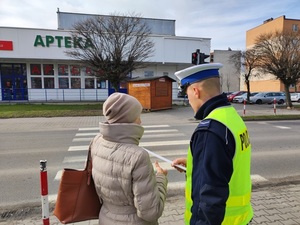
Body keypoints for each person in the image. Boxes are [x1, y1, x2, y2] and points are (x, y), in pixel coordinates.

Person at [172, 63, 253, 225]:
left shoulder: (210, 130)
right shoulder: (230, 116)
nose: (188, 101)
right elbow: (228, 162)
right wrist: (197, 164)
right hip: (241, 218)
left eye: (187, 94)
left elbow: (208, 199)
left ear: (195, 91)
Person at [90, 92, 168, 225]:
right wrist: (161, 178)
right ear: (128, 118)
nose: (140, 121)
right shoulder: (138, 156)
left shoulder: (96, 141)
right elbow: (150, 212)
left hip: (105, 217)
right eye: (138, 116)